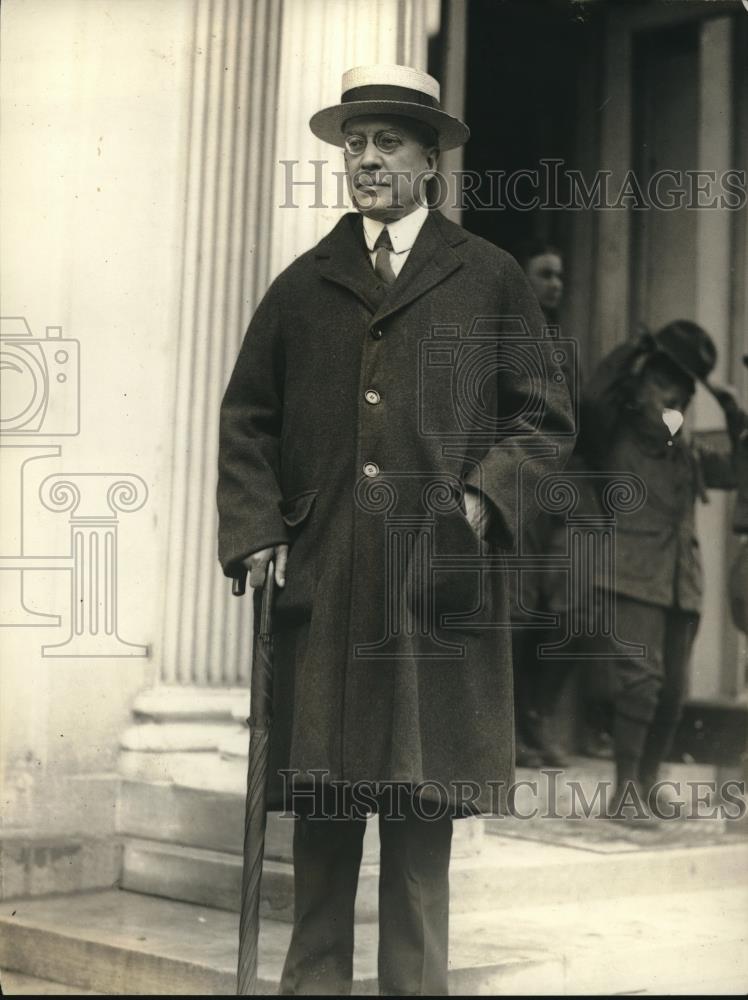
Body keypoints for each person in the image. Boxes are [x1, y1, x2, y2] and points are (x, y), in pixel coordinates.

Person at [217, 63, 574, 995]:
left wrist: (480, 500)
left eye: (387, 142)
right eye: (355, 144)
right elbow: (247, 417)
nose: (366, 160)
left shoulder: (488, 277)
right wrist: (256, 527)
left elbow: (544, 419)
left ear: (429, 160)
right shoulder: (304, 285)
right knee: (325, 825)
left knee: (420, 838)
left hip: (434, 591)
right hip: (330, 585)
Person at [578, 321, 744, 818]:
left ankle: (647, 785)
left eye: (684, 391)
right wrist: (637, 346)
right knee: (641, 684)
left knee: (673, 692)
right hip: (630, 573)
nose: (675, 397)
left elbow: (740, 472)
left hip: (680, 581)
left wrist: (734, 414)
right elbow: (590, 401)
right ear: (639, 383)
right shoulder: (614, 431)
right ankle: (624, 794)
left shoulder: (683, 445)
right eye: (662, 383)